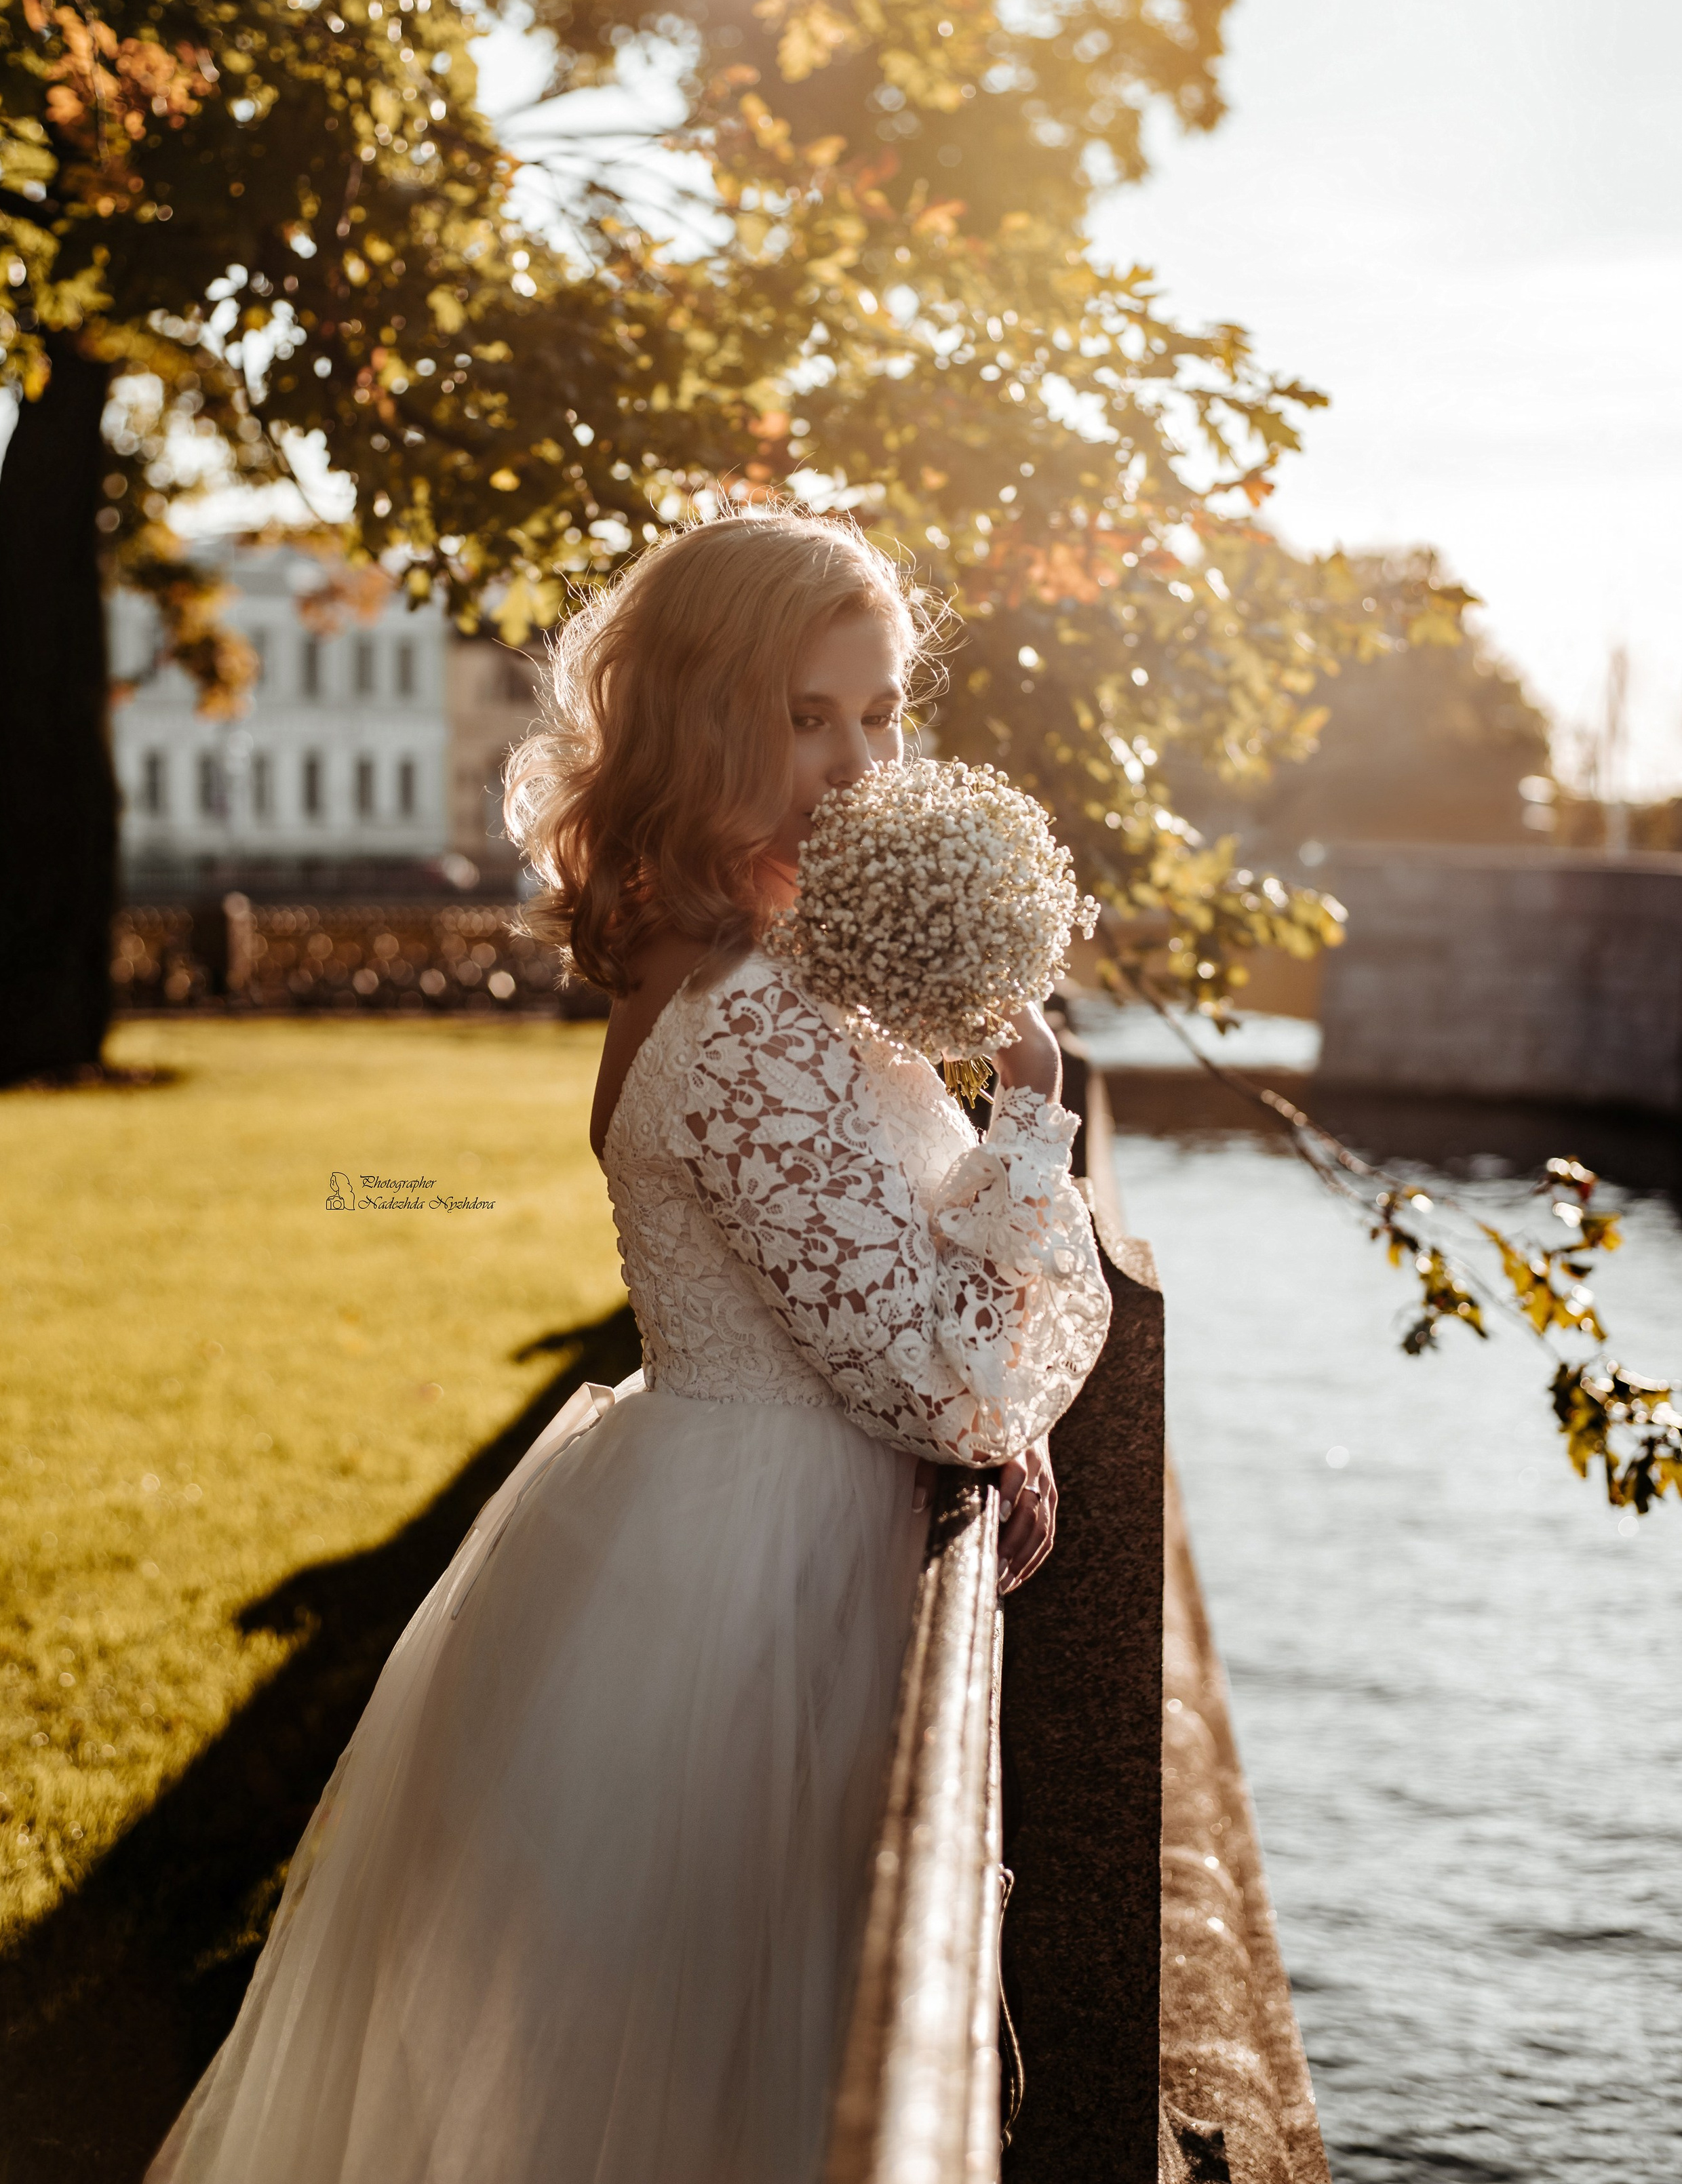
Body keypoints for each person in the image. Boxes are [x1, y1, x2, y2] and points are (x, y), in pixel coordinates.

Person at [147, 509, 1111, 2184]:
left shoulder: (787, 975)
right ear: (697, 722)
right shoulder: (735, 1017)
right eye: (805, 715)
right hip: (749, 1593)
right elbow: (944, 1380)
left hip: (767, 1537)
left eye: (878, 710)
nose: (856, 757)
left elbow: (925, 1305)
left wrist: (994, 1351)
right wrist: (1030, 1114)